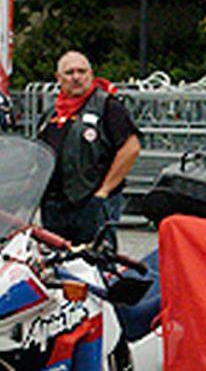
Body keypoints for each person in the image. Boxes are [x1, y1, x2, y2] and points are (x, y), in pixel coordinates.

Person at [38, 51, 141, 247]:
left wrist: (104, 191)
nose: (76, 77)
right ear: (58, 78)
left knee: (97, 264)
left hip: (92, 203)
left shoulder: (108, 106)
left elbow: (131, 148)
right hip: (54, 207)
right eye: (69, 73)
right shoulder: (49, 115)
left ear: (91, 74)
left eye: (81, 71)